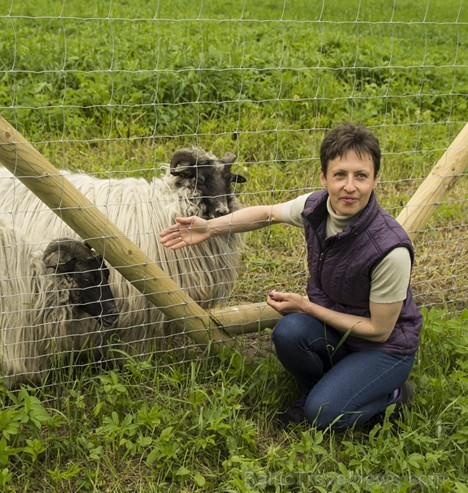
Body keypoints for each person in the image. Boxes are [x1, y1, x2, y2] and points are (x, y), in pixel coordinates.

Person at [159, 122, 422, 431]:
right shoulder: (316, 207)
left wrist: (308, 307)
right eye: (340, 175)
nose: (349, 186)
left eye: (360, 176)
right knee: (288, 332)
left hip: (384, 348)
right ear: (324, 178)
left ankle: (392, 395)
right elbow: (267, 213)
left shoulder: (390, 250)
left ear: (375, 179)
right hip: (342, 328)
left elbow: (378, 330)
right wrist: (210, 227)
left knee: (325, 415)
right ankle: (331, 386)